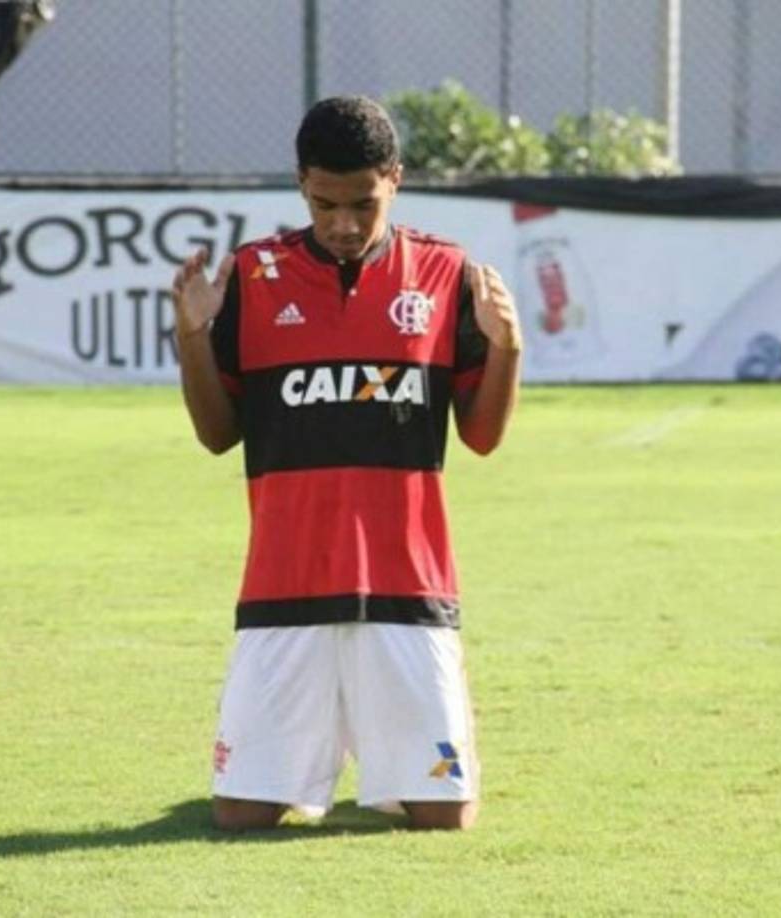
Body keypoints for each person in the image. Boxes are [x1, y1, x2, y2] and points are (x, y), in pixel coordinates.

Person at [171, 95, 522, 831]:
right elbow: (215, 434)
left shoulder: (442, 273)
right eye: (325, 203)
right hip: (284, 582)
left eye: (362, 202)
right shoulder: (252, 276)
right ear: (302, 183)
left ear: (393, 178)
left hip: (406, 583)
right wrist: (194, 340)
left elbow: (483, 435)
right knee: (240, 816)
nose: (343, 223)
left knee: (443, 816)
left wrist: (506, 351)